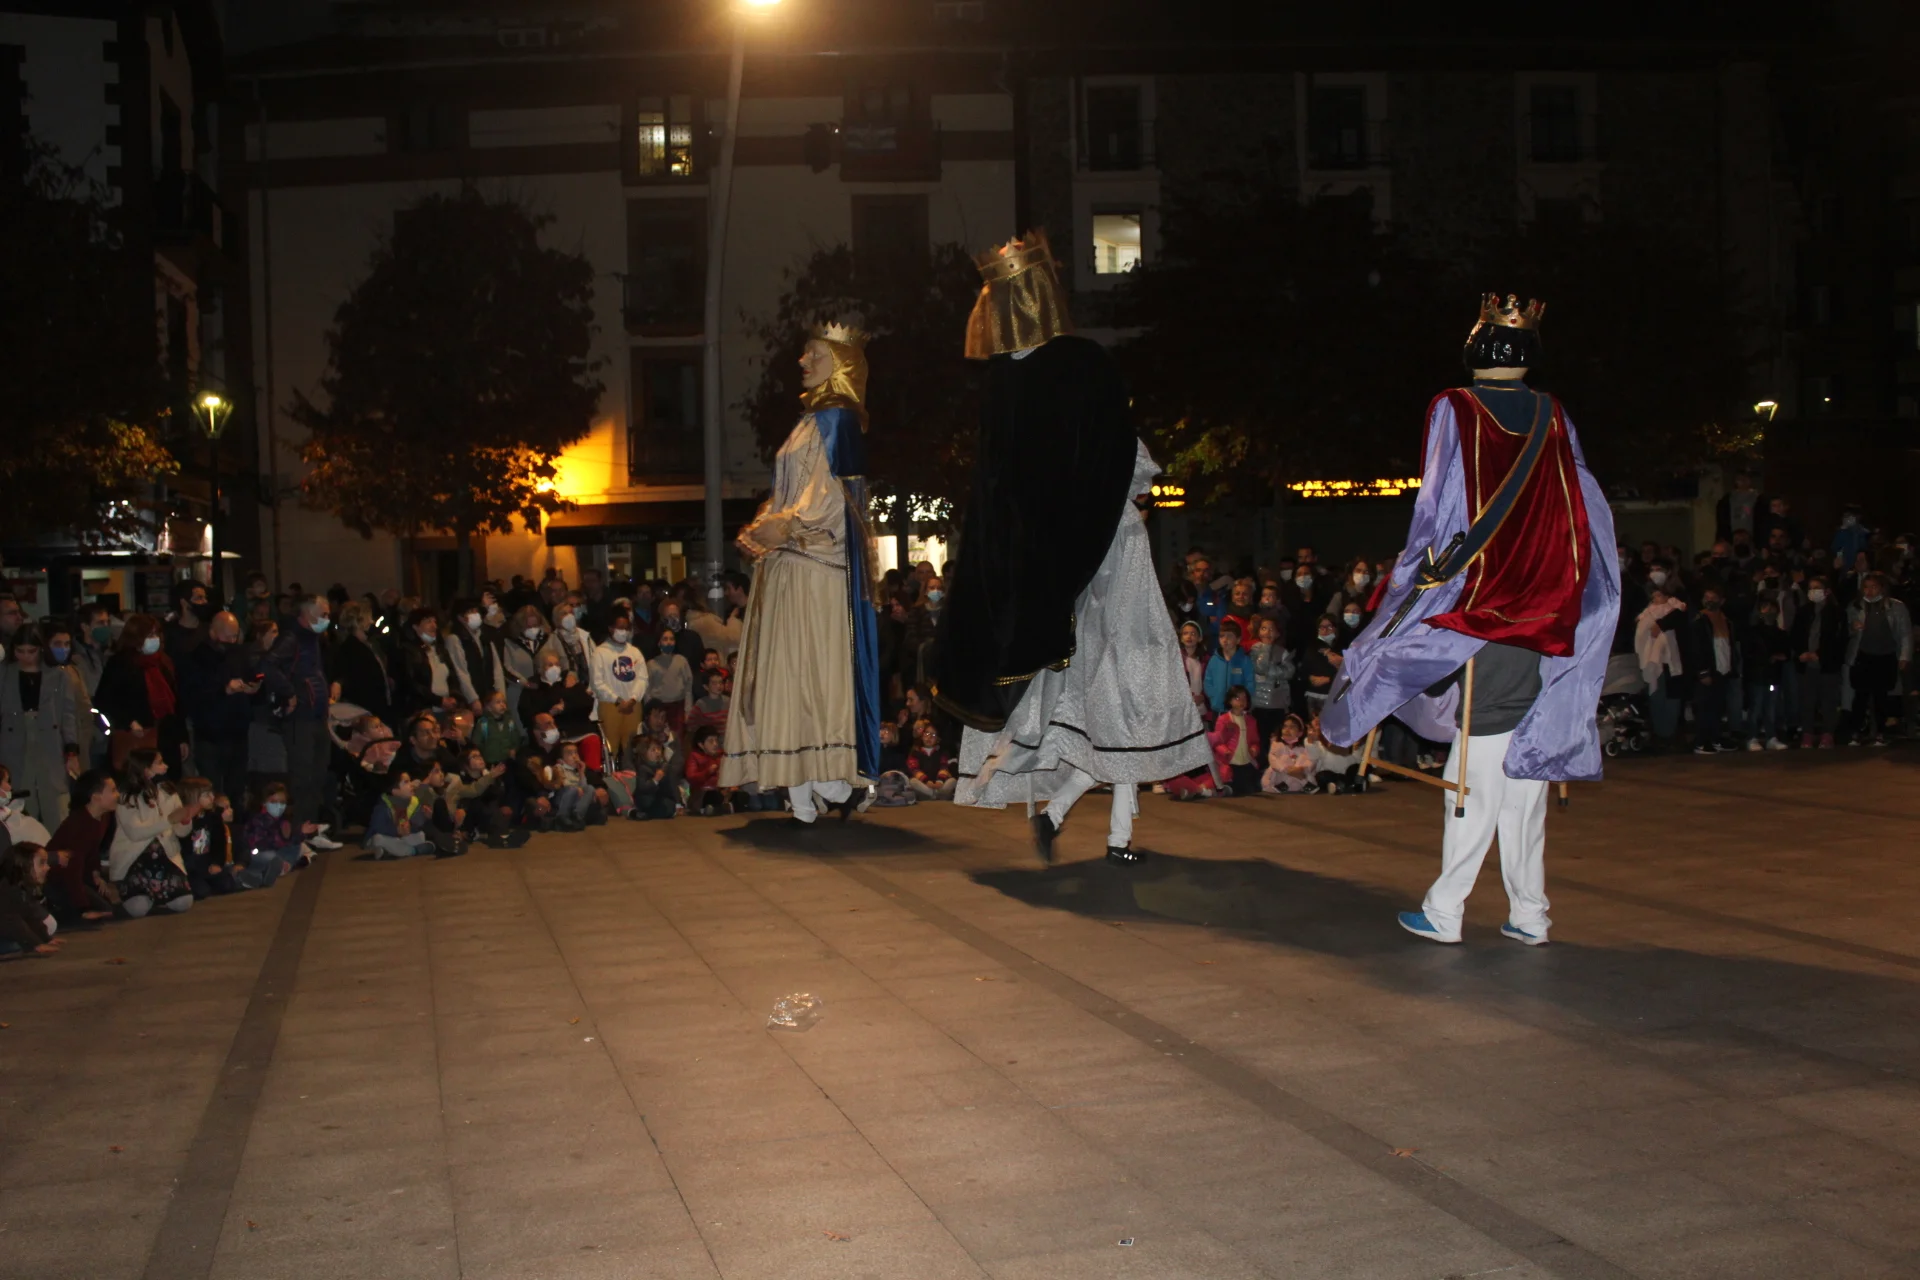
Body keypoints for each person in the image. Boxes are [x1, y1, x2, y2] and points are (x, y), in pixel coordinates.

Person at [1320, 293, 1620, 946]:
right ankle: (1530, 914)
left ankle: (1446, 910)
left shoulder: (1454, 405)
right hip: (1548, 613)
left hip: (1486, 610)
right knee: (1524, 773)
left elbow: (1439, 504)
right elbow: (1584, 502)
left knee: (1472, 777)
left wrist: (1419, 580)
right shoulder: (1553, 413)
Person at [936, 231, 1210, 865]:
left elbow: (1002, 489)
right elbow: (1123, 459)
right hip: (1109, 547)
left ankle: (1086, 821)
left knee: (1094, 691)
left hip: (1048, 568)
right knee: (1128, 684)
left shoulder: (1005, 381)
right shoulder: (1078, 364)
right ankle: (1105, 830)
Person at [719, 321, 882, 826]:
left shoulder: (839, 421)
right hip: (788, 569)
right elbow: (786, 494)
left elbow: (834, 502)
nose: (803, 361)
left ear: (840, 362)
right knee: (787, 676)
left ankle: (831, 779)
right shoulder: (809, 422)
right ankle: (807, 784)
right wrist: (764, 525)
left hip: (816, 570)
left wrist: (783, 527)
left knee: (812, 675)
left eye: (814, 353)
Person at [0, 626, 81, 826]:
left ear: (41, 649)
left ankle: (57, 840)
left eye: (31, 651)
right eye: (20, 651)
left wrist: (71, 750)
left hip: (48, 740)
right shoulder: (4, 673)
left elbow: (68, 714)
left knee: (54, 798)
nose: (25, 657)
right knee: (21, 794)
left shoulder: (59, 675)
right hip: (14, 739)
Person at [179, 612, 257, 808]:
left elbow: (250, 675)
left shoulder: (238, 654)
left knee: (237, 789)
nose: (232, 641)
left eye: (235, 636)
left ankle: (236, 821)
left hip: (238, 732)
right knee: (211, 791)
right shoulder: (196, 658)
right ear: (213, 633)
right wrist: (224, 690)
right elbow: (192, 695)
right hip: (210, 735)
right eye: (228, 636)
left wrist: (253, 688)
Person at [107, 748, 197, 918]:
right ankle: (136, 895)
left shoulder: (168, 791)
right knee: (138, 908)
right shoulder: (127, 796)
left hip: (165, 857)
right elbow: (135, 833)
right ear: (145, 768)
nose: (166, 766)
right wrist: (169, 820)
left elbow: (181, 832)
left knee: (184, 902)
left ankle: (156, 897)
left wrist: (185, 820)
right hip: (135, 859)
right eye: (159, 763)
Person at [272, 595, 335, 831]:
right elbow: (268, 665)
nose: (327, 619)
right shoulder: (291, 638)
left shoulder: (313, 639)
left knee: (318, 775)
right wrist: (289, 692)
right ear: (308, 614)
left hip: (317, 715)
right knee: (302, 777)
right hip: (300, 719)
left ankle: (311, 827)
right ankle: (298, 831)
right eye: (323, 614)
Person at [95, 613, 188, 769]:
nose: (155, 638)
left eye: (156, 634)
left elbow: (176, 703)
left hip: (166, 736)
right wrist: (128, 721)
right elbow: (105, 700)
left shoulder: (163, 662)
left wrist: (182, 737)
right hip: (138, 739)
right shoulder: (121, 664)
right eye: (150, 635)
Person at [1845, 572, 1912, 746]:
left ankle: (1880, 733)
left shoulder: (1896, 606)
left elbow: (1905, 633)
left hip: (1886, 656)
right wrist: (1853, 627)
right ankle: (1856, 732)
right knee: (1860, 696)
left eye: (1874, 587)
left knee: (1882, 696)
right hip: (1862, 655)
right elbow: (1845, 631)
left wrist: (1904, 656)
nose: (1869, 591)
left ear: (1882, 588)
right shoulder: (1855, 606)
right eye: (1866, 587)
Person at [44, 770, 118, 925]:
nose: (117, 795)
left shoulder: (103, 817)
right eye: (112, 791)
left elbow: (92, 850)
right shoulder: (78, 824)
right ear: (96, 797)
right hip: (58, 878)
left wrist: (96, 873)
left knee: (107, 909)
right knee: (95, 914)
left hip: (79, 875)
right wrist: (83, 908)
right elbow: (72, 868)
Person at [1791, 574, 1847, 748]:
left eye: (1817, 588)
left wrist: (1821, 655)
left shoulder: (1837, 613)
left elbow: (1839, 640)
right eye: (1810, 588)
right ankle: (1807, 733)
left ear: (1827, 591)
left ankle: (1827, 733)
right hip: (1806, 665)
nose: (1813, 591)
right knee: (1807, 701)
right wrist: (1800, 653)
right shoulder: (1803, 611)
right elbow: (1795, 635)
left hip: (1828, 665)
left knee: (1828, 701)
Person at [590, 607, 648, 769]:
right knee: (610, 748)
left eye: (626, 628)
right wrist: (617, 700)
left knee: (633, 747)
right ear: (611, 628)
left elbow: (643, 679)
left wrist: (633, 699)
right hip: (610, 706)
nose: (623, 632)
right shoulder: (600, 653)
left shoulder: (635, 652)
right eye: (620, 627)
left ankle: (633, 776)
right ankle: (609, 776)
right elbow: (597, 682)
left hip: (633, 706)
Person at [327, 601, 392, 726]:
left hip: (377, 705)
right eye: (368, 618)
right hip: (365, 709)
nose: (371, 621)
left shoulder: (370, 643)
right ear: (359, 622)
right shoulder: (350, 648)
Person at [1740, 596, 1791, 750]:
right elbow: (1748, 654)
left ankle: (1771, 737)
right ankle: (1752, 737)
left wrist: (1780, 657)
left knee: (1771, 707)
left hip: (1773, 677)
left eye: (1772, 607)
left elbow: (1787, 652)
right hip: (1757, 676)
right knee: (1756, 707)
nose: (1769, 611)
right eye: (1765, 607)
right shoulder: (1752, 633)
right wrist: (1767, 658)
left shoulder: (1780, 633)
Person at [0, 842, 62, 959]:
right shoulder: (6, 889)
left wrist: (45, 938)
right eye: (41, 863)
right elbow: (10, 920)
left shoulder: (22, 888)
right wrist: (35, 944)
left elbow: (30, 915)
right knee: (13, 945)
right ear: (24, 866)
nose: (48, 867)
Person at [1208, 686, 1263, 796]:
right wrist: (1225, 751)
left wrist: (1254, 749)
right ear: (1230, 701)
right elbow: (1217, 741)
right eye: (1237, 698)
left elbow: (1255, 741)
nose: (1241, 701)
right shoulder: (1223, 719)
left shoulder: (1251, 721)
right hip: (1230, 762)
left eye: (1244, 698)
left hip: (1246, 761)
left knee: (1253, 788)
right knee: (1238, 788)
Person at [1248, 616, 1294, 743]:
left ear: (1278, 633)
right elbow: (1259, 668)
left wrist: (1271, 671)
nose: (1267, 632)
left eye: (1271, 629)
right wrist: (1266, 648)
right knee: (1260, 740)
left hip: (1277, 703)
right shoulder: (1254, 650)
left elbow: (1289, 672)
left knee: (1276, 740)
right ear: (1259, 631)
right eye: (1264, 628)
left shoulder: (1283, 652)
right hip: (1258, 703)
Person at [1202, 620, 1255, 716]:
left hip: (1237, 710)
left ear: (1238, 639)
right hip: (1218, 708)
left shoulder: (1245, 661)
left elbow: (1250, 683)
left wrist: (1242, 700)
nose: (1225, 639)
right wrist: (1214, 696)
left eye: (1229, 636)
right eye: (1222, 636)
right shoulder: (1214, 660)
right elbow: (1208, 681)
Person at [1261, 714, 1315, 794]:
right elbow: (1272, 759)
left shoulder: (1303, 748)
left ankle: (1292, 783)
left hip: (1297, 784)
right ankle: (1305, 784)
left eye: (1292, 727)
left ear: (1300, 733)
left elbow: (1310, 763)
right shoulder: (1277, 745)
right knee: (1285, 758)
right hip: (1280, 780)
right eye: (1285, 727)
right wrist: (1286, 770)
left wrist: (1301, 769)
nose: (1287, 730)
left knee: (1303, 758)